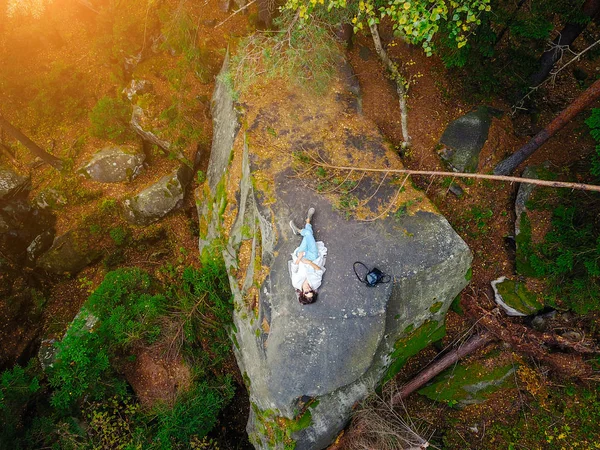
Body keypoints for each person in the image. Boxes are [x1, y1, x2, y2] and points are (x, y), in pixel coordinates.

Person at [289, 207, 327, 304]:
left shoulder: (296, 283)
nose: (309, 289)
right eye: (311, 291)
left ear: (302, 293)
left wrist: (300, 258)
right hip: (313, 258)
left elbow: (294, 269)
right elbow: (319, 271)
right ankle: (305, 224)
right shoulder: (316, 283)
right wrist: (309, 262)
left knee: (308, 236)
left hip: (300, 257)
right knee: (309, 235)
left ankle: (304, 225)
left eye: (307, 292)